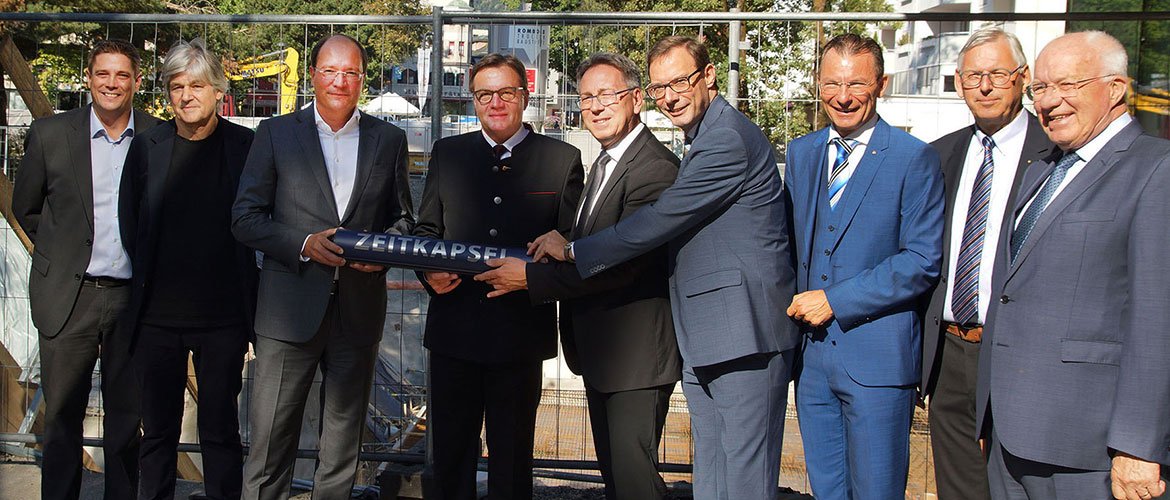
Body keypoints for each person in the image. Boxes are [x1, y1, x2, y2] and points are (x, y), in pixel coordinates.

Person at [532, 36, 798, 500]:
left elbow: (657, 221)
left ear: (710, 76)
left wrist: (574, 251)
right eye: (661, 87)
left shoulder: (725, 141)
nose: (670, 96)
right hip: (710, 335)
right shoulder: (702, 139)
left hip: (742, 334)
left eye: (680, 81)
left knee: (744, 483)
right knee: (714, 479)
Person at [474, 52, 681, 500]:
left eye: (608, 94)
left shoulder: (654, 169)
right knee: (618, 478)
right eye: (587, 97)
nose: (597, 106)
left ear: (637, 99)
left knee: (634, 482)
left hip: (635, 359)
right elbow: (597, 244)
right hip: (605, 355)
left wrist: (531, 278)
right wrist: (564, 241)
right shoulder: (607, 162)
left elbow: (623, 265)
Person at [975, 31, 1170, 500]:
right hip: (1012, 436)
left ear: (1116, 88)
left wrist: (1138, 446)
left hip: (1090, 451)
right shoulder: (1043, 169)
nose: (1049, 101)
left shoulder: (1155, 170)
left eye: (1067, 85)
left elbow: (1157, 320)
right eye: (1040, 88)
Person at [232, 34, 414, 500]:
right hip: (288, 311)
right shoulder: (275, 134)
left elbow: (402, 219)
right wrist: (303, 243)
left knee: (342, 448)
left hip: (358, 311)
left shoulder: (388, 140)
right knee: (270, 441)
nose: (340, 81)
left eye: (350, 72)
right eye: (330, 71)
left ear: (362, 80)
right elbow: (245, 218)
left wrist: (382, 253)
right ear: (313, 74)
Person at [414, 52, 583, 500]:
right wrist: (428, 271)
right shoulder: (448, 154)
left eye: (505, 92)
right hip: (454, 331)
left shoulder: (561, 159)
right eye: (484, 94)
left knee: (512, 462)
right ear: (473, 101)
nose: (495, 102)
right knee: (450, 457)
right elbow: (426, 230)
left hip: (519, 335)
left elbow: (570, 244)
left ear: (524, 97)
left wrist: (533, 273)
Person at [784, 33, 944, 499]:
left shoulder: (914, 158)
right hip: (812, 361)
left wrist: (836, 300)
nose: (843, 96)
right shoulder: (803, 152)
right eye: (832, 83)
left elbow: (920, 261)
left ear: (882, 84)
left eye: (857, 84)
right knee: (827, 489)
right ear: (818, 83)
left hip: (877, 362)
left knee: (877, 490)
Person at [12, 39, 160, 500]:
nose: (111, 84)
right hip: (67, 297)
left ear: (137, 81)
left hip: (131, 301)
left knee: (125, 421)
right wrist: (64, 254)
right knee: (61, 421)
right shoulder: (50, 134)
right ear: (88, 78)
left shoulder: (157, 138)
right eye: (102, 74)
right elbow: (26, 208)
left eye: (122, 75)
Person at [119, 38, 257, 500]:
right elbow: (129, 220)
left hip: (224, 319)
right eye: (176, 86)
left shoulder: (245, 146)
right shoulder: (147, 147)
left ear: (218, 90)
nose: (186, 95)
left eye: (197, 85)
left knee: (220, 431)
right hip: (157, 319)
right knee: (157, 433)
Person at [922, 28, 1054, 500]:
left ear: (1022, 79)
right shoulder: (940, 155)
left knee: (1018, 482)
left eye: (997, 74)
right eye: (974, 75)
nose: (984, 86)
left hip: (1019, 349)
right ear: (958, 82)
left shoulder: (1056, 152)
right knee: (959, 484)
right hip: (951, 350)